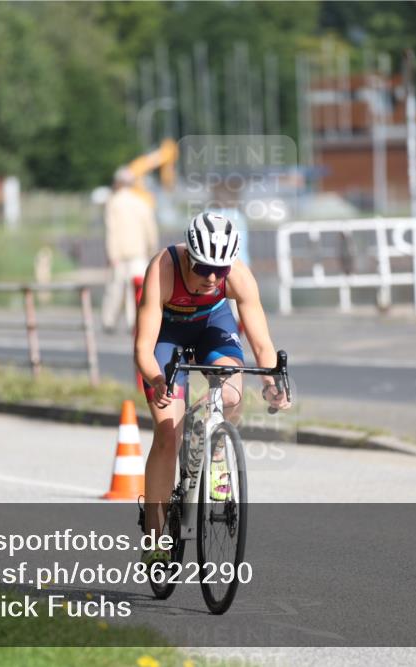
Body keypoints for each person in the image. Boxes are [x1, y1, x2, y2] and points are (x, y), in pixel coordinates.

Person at [134, 212, 290, 563]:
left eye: (220, 271)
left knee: (231, 393)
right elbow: (143, 348)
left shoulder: (237, 276)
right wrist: (158, 380)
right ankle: (155, 537)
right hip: (167, 337)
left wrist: (270, 383)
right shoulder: (163, 268)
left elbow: (262, 344)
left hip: (211, 327)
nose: (211, 277)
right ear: (189, 255)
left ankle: (215, 449)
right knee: (167, 432)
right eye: (204, 268)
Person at [102, 167, 158, 333]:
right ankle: (133, 322)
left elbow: (111, 230)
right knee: (137, 289)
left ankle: (109, 321)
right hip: (138, 253)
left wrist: (111, 253)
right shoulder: (141, 202)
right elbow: (150, 229)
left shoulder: (113, 202)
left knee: (115, 288)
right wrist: (151, 249)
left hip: (119, 253)